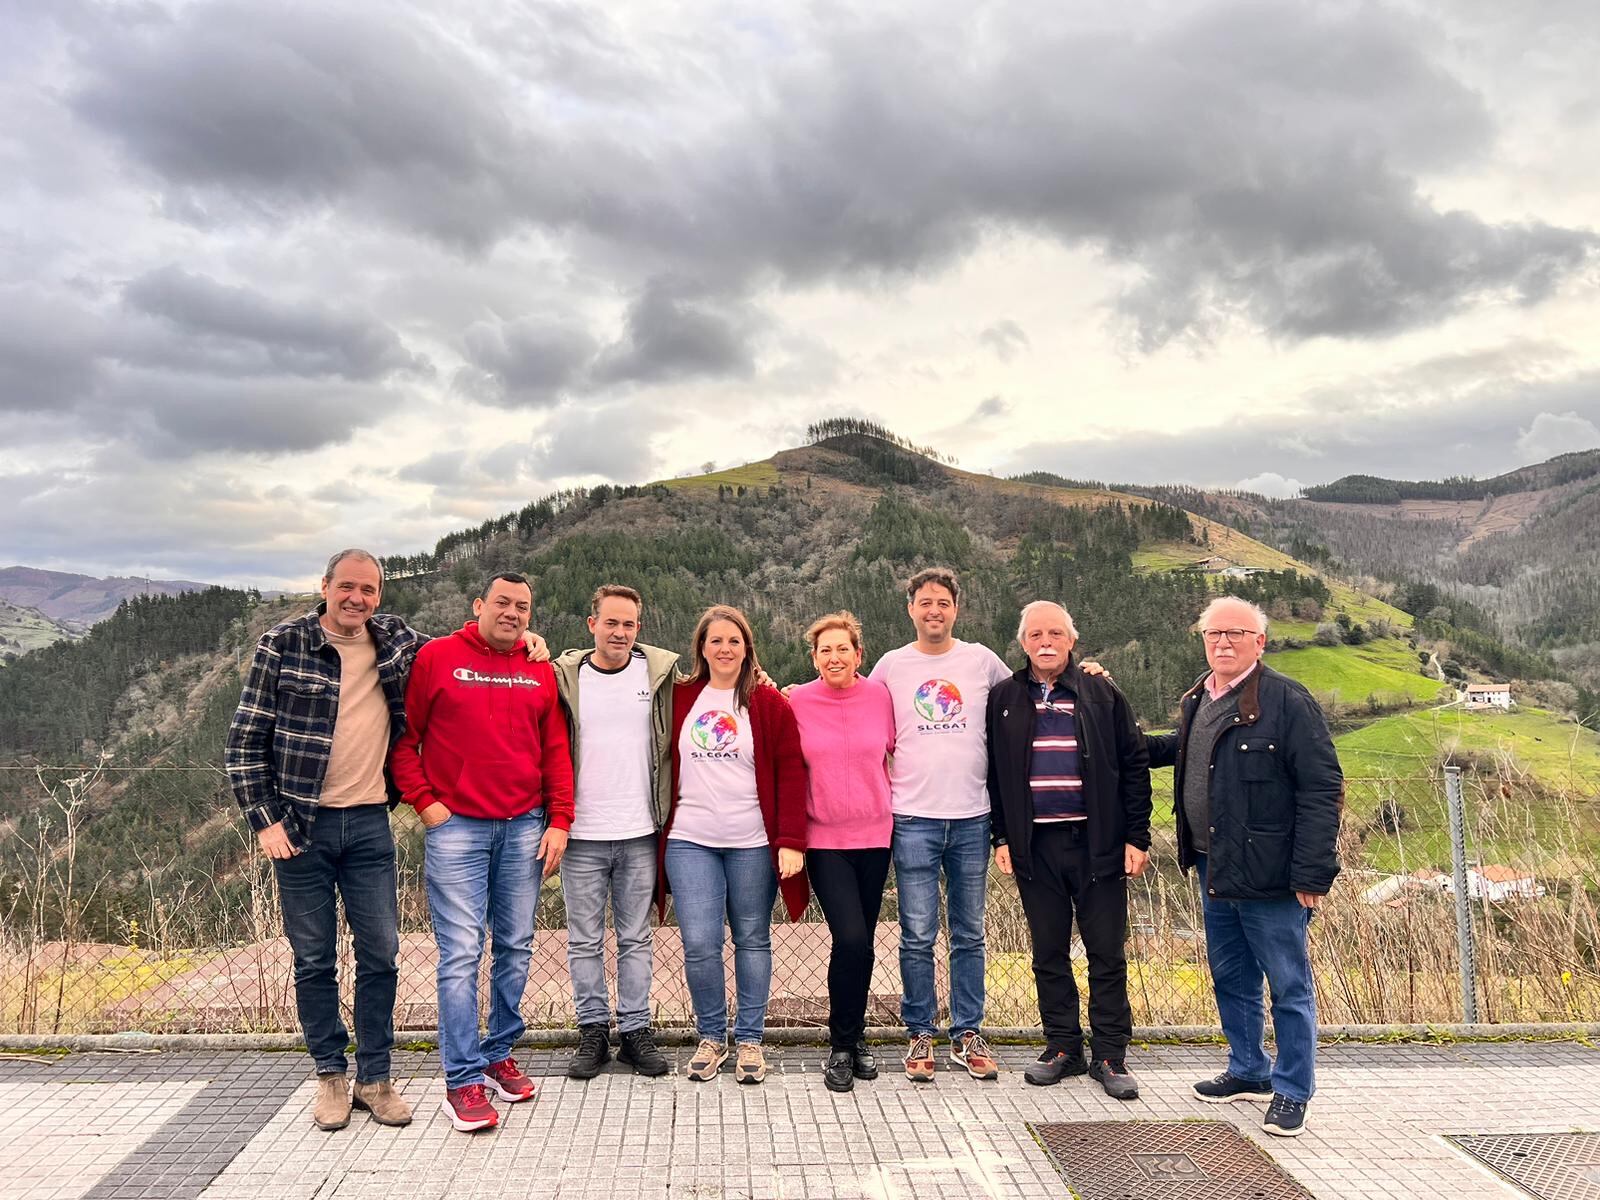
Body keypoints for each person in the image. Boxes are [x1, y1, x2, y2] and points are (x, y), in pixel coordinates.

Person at [225, 549, 424, 1133]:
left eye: (368, 589)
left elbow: (467, 645)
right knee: (314, 959)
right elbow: (243, 742)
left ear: (379, 595)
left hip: (368, 824)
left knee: (381, 955)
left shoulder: (393, 640)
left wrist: (533, 641)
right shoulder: (282, 644)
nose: (357, 598)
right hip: (300, 828)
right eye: (347, 587)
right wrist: (264, 820)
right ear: (325, 587)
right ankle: (330, 1076)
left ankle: (376, 1077)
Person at [1146, 596, 1343, 1138]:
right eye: (1214, 634)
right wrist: (1110, 717)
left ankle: (1291, 1090)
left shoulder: (1287, 701)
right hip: (1215, 866)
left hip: (1273, 875)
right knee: (1231, 975)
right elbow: (1181, 751)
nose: (1223, 642)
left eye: (1236, 633)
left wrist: (1311, 873)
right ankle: (1248, 1068)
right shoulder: (1199, 697)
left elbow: (1323, 789)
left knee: (1287, 984)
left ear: (1260, 642)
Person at [389, 572, 574, 1132]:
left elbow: (555, 748)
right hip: (458, 828)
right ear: (479, 606)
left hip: (524, 826)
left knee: (516, 946)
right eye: (502, 603)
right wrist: (425, 804)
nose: (512, 613)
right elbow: (404, 740)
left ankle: (497, 1053)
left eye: (522, 606)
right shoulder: (438, 658)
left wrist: (560, 819)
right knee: (463, 952)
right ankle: (462, 1080)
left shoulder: (539, 666)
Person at [987, 601, 1152, 1099]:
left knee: (1106, 952)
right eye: (1036, 633)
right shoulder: (1004, 698)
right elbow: (994, 774)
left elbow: (1134, 764)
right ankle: (1063, 1047)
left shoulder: (1102, 693)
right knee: (1048, 952)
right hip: (1035, 847)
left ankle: (1110, 1055)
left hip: (1098, 843)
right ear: (1023, 643)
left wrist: (1136, 837)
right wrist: (1001, 837)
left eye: (1055, 632)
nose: (1046, 641)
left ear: (1071, 641)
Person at [869, 567, 1011, 1082]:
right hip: (911, 819)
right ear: (911, 608)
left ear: (956, 608)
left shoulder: (980, 661)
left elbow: (1024, 697)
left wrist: (1083, 675)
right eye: (924, 602)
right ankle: (920, 1032)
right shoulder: (891, 666)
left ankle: (968, 1032)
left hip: (973, 817)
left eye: (942, 603)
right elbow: (851, 704)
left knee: (969, 932)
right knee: (917, 933)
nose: (934, 611)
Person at [658, 604, 808, 1084]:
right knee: (700, 941)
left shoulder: (767, 703)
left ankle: (749, 1039)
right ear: (700, 647)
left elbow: (790, 772)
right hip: (690, 839)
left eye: (734, 640)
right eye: (715, 640)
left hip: (751, 842)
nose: (725, 649)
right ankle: (710, 1035)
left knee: (751, 938)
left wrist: (790, 840)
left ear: (748, 648)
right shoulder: (679, 697)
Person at [550, 584, 676, 1079]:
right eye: (611, 622)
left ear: (638, 628)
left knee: (635, 937)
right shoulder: (566, 677)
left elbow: (717, 681)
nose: (619, 632)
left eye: (628, 624)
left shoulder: (659, 673)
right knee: (583, 939)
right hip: (580, 832)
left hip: (640, 830)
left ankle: (635, 1031)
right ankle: (592, 1030)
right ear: (592, 624)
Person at [788, 610, 897, 1093]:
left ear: (859, 654)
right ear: (814, 658)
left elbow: (902, 750)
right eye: (824, 650)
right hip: (825, 841)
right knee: (850, 938)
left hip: (876, 837)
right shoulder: (797, 701)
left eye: (843, 649)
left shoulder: (881, 698)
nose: (834, 657)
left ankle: (854, 1041)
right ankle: (840, 1045)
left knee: (864, 944)